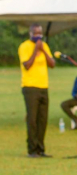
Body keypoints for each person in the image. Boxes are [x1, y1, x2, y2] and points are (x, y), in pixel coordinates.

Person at [18, 24, 55, 158]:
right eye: (35, 34)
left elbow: (52, 64)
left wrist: (43, 50)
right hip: (30, 87)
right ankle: (32, 150)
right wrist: (35, 50)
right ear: (30, 34)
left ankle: (41, 148)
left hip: (43, 86)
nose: (38, 36)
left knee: (42, 119)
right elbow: (27, 65)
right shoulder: (24, 46)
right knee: (32, 119)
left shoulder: (44, 46)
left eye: (40, 34)